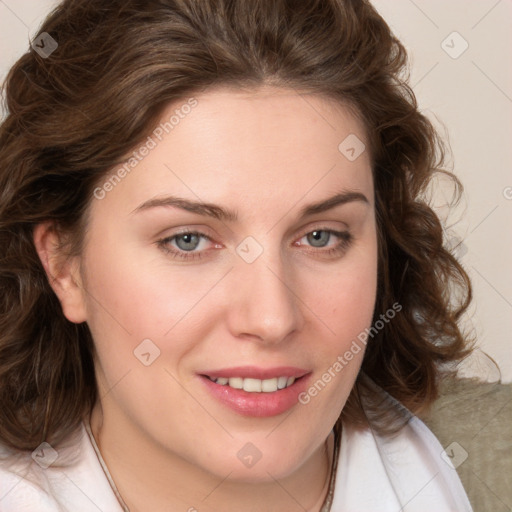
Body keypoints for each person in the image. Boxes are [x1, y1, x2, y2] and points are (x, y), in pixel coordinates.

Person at [0, 0, 475, 510]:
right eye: (188, 240)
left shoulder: (438, 469)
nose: (272, 319)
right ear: (64, 266)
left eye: (321, 236)